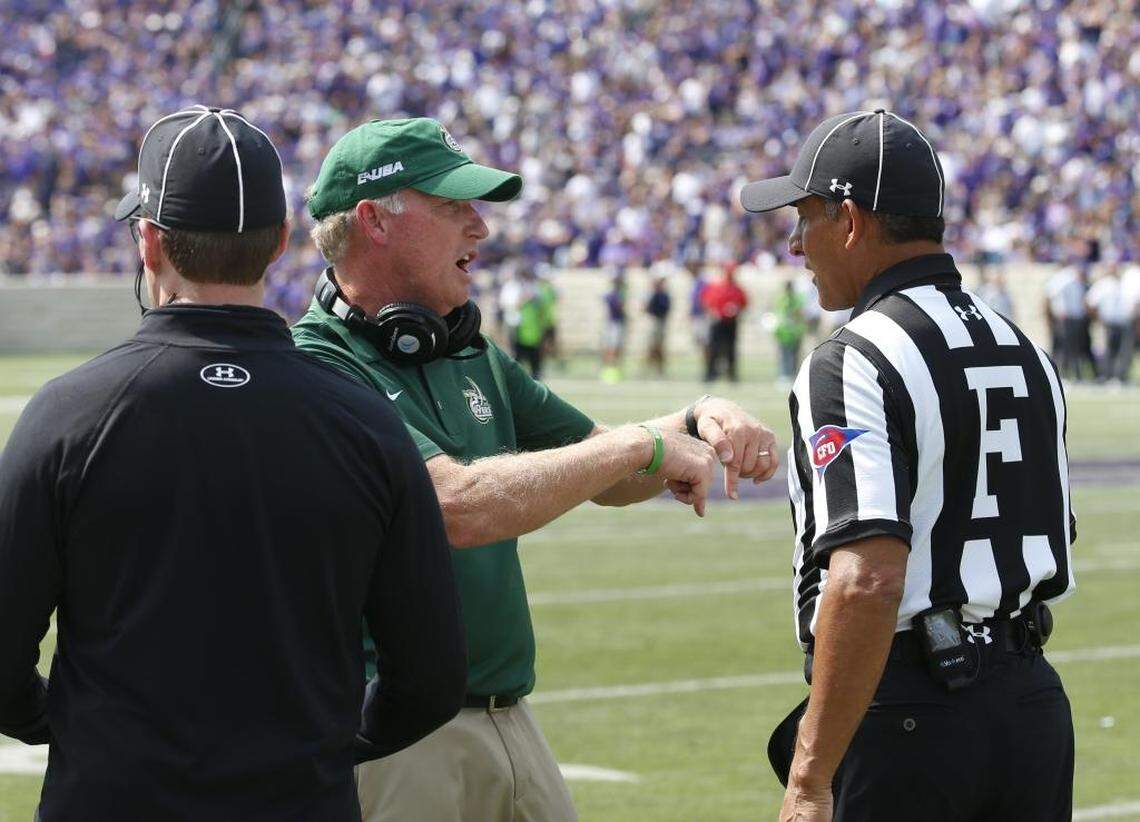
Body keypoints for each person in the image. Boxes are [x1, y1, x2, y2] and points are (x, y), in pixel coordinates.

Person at [292, 116, 780, 822]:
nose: (480, 227)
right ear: (374, 220)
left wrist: (697, 419)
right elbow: (455, 507)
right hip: (394, 736)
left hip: (510, 716)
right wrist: (639, 444)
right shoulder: (318, 364)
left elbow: (611, 472)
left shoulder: (468, 350)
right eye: (452, 206)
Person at [0, 106, 466, 821]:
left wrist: (68, 726)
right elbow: (431, 677)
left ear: (149, 241)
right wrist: (328, 745)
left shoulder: (68, 414)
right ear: (280, 242)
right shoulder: (364, 419)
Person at [741, 109, 1076, 822]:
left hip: (912, 715)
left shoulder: (852, 359)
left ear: (850, 222)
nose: (796, 243)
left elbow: (867, 578)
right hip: (1033, 705)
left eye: (805, 217)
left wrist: (809, 778)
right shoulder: (1026, 350)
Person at [1086, 260, 1136, 383]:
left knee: (1124, 351)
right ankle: (1106, 376)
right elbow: (1090, 302)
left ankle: (1120, 377)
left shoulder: (1123, 283)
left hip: (1124, 322)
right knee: (1108, 350)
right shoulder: (1102, 284)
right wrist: (1098, 318)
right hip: (1109, 322)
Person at [702, 261, 749, 382]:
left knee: (731, 349)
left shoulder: (737, 289)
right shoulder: (717, 287)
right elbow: (707, 301)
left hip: (731, 322)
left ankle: (731, 374)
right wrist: (714, 312)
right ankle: (711, 374)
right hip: (718, 322)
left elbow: (744, 303)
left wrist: (736, 309)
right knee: (714, 348)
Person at [773, 278, 807, 384]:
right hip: (784, 333)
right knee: (784, 354)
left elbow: (800, 314)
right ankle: (784, 375)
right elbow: (778, 316)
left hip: (795, 332)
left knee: (794, 355)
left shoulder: (797, 300)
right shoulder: (781, 300)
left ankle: (793, 375)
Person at [645, 273, 672, 376]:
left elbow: (665, 309)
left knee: (659, 346)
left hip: (660, 322)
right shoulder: (652, 294)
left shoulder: (663, 295)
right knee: (652, 346)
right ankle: (650, 367)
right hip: (653, 321)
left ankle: (659, 368)